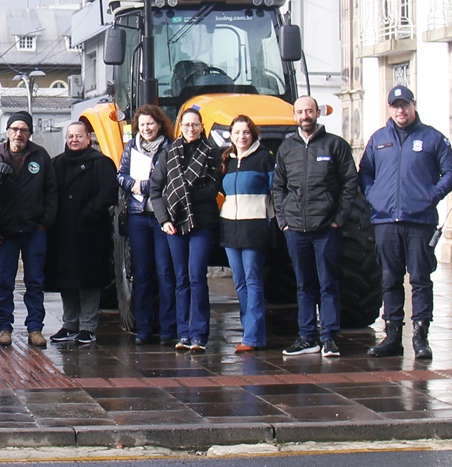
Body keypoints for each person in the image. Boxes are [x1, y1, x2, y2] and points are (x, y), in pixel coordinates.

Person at [360, 84, 452, 360]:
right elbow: (365, 172)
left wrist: (431, 195)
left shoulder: (433, 138)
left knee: (420, 279)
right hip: (386, 221)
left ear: (413, 105)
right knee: (389, 278)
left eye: (405, 104)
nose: (400, 110)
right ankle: (392, 335)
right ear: (389, 109)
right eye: (395, 106)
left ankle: (420, 336)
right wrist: (374, 196)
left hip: (420, 221)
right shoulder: (379, 138)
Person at [272, 95, 361, 358]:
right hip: (295, 229)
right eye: (300, 112)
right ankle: (306, 336)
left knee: (329, 283)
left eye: (309, 111)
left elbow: (350, 184)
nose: (304, 116)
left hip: (326, 228)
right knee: (303, 284)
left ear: (317, 113)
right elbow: (278, 186)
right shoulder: (287, 148)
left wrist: (338, 219)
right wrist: (283, 221)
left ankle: (330, 337)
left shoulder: (336, 145)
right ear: (294, 116)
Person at [147, 108, 222, 352]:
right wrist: (163, 219)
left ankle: (199, 334)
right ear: (181, 126)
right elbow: (156, 189)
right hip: (174, 224)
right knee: (180, 279)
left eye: (195, 125)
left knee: (197, 276)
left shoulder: (211, 152)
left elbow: (212, 189)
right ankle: (183, 334)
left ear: (202, 127)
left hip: (201, 223)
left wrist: (179, 195)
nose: (191, 129)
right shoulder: (168, 152)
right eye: (187, 125)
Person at [48, 120, 117, 347]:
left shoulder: (101, 163)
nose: (74, 140)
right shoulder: (56, 163)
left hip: (91, 231)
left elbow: (108, 192)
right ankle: (70, 324)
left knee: (88, 279)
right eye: (71, 136)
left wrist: (88, 214)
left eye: (79, 136)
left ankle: (88, 327)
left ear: (89, 138)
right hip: (62, 232)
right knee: (66, 279)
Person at [0, 110, 56, 349]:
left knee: (35, 281)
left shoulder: (40, 155)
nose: (19, 134)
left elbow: (51, 190)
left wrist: (45, 221)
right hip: (4, 232)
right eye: (15, 129)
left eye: (24, 130)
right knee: (4, 282)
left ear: (30, 133)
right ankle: (4, 328)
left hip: (34, 229)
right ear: (7, 131)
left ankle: (35, 328)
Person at [117, 105, 176, 345]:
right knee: (142, 273)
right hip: (137, 215)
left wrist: (145, 186)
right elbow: (120, 174)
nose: (146, 128)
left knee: (164, 272)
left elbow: (171, 178)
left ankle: (168, 328)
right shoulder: (131, 147)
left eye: (150, 124)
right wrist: (131, 184)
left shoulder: (169, 149)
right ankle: (143, 327)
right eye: (142, 125)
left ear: (160, 124)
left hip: (161, 217)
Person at [217, 114, 273, 353]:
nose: (242, 136)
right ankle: (248, 331)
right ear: (231, 135)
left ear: (253, 134)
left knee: (253, 280)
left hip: (255, 226)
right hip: (230, 227)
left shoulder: (264, 158)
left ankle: (253, 336)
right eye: (237, 132)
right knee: (239, 282)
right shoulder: (226, 161)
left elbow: (275, 189)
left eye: (246, 132)